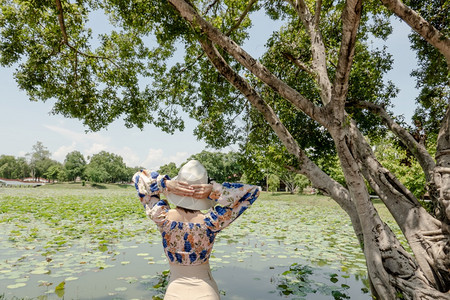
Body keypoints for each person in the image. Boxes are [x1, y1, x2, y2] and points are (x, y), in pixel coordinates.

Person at [132, 160, 261, 300]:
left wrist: (166, 184)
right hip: (207, 292)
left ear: (177, 189)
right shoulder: (213, 221)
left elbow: (139, 178)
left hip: (174, 293)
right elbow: (253, 191)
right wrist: (214, 190)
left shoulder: (161, 217)